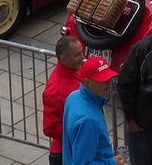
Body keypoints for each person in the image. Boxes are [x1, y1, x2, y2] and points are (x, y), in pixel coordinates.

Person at [65, 54, 122, 165]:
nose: (109, 84)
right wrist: (112, 163)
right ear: (88, 82)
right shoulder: (88, 120)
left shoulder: (73, 97)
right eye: (102, 80)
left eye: (109, 78)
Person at [44, 35, 88, 165]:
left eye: (81, 52)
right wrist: (80, 127)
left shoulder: (74, 70)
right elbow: (50, 129)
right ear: (63, 58)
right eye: (77, 55)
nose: (83, 57)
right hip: (66, 154)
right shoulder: (55, 91)